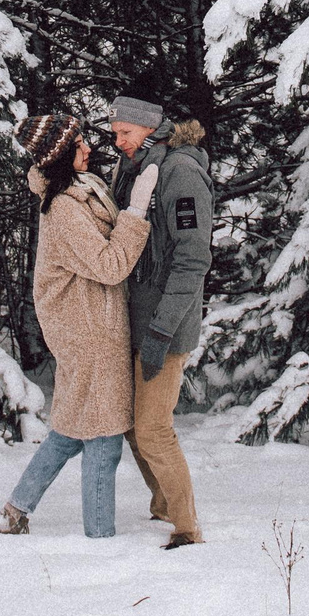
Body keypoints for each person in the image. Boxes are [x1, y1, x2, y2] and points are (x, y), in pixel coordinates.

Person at [0, 114, 156, 538]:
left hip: (93, 325)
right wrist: (136, 211)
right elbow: (111, 265)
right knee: (104, 435)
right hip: (89, 332)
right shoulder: (62, 210)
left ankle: (14, 511)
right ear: (61, 156)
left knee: (71, 429)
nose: (88, 148)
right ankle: (100, 540)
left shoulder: (80, 189)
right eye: (78, 143)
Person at [110, 85, 214, 549]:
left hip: (165, 325)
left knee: (153, 429)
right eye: (114, 132)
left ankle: (187, 528)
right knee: (134, 427)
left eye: (125, 132)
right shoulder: (137, 168)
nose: (118, 141)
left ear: (151, 129)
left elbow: (192, 260)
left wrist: (161, 328)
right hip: (137, 318)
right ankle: (164, 504)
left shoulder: (180, 174)